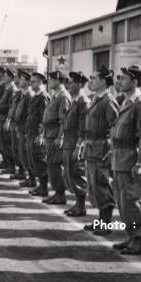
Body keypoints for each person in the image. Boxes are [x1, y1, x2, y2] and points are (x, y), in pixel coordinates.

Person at [111, 65, 141, 255]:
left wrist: (140, 163)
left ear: (135, 82)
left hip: (132, 156)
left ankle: (138, 239)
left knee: (133, 199)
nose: (120, 82)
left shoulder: (140, 103)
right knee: (122, 200)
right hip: (120, 156)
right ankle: (130, 235)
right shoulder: (126, 101)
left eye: (124, 79)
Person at [79, 67, 119, 234]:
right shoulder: (96, 99)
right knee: (94, 185)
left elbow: (115, 126)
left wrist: (109, 149)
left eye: (94, 78)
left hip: (100, 148)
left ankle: (106, 223)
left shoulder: (108, 101)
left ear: (103, 81)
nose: (91, 81)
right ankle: (101, 220)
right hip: (92, 146)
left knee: (102, 184)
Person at [41, 70, 71, 205]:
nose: (50, 81)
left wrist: (60, 137)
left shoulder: (63, 97)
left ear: (59, 81)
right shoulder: (56, 96)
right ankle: (57, 193)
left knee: (55, 165)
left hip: (55, 135)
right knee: (52, 165)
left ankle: (60, 194)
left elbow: (63, 121)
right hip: (49, 134)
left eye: (53, 79)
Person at [62, 71, 90, 216]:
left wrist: (79, 146)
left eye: (71, 82)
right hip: (69, 140)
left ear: (79, 84)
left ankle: (81, 206)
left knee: (77, 173)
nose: (68, 84)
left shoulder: (83, 102)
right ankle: (78, 204)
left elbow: (83, 127)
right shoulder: (75, 100)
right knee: (70, 172)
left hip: (75, 141)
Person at [25, 72, 50, 197]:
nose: (31, 83)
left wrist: (41, 135)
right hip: (31, 132)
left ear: (40, 82)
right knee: (32, 159)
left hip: (37, 133)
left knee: (39, 159)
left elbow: (43, 118)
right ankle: (40, 186)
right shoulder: (36, 96)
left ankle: (44, 187)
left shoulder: (43, 97)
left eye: (34, 81)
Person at [15, 70, 36, 188]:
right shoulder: (23, 94)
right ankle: (29, 176)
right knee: (22, 153)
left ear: (27, 82)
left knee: (27, 154)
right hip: (21, 127)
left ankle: (32, 178)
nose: (19, 81)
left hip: (25, 128)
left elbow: (29, 114)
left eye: (22, 79)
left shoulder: (29, 95)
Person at [5, 71, 25, 180]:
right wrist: (9, 119)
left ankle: (23, 171)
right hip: (14, 123)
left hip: (21, 125)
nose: (17, 79)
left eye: (19, 77)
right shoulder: (17, 93)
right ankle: (19, 170)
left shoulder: (25, 94)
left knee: (20, 149)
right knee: (15, 148)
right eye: (17, 77)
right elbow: (12, 107)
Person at [0, 68, 18, 174]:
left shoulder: (12, 90)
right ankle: (7, 163)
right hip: (2, 118)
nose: (4, 77)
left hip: (6, 119)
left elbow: (11, 106)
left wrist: (8, 120)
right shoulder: (7, 89)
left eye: (6, 76)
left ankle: (11, 166)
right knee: (3, 143)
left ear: (11, 77)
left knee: (8, 143)